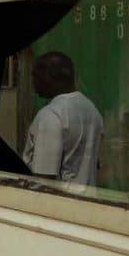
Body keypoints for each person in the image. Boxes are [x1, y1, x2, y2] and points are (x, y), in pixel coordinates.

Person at [22, 51, 104, 186]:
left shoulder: (50, 115)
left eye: (35, 76)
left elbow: (44, 179)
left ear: (50, 76)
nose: (33, 82)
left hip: (59, 202)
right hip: (87, 201)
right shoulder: (92, 110)